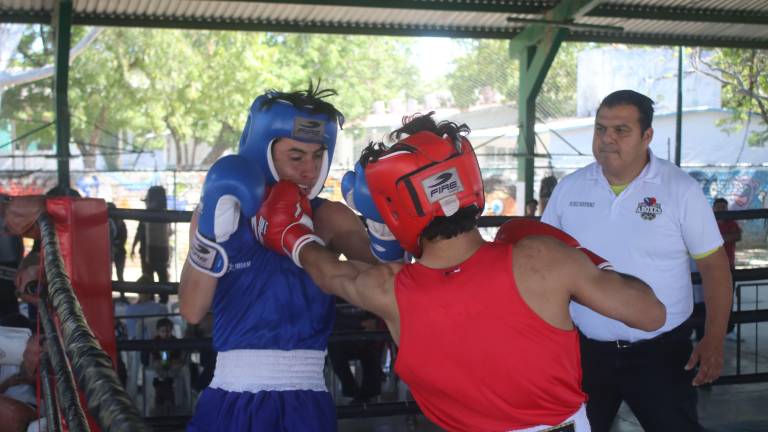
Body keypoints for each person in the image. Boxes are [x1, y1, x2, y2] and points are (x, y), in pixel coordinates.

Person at [254, 112, 665, 431]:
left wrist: (291, 234)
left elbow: (329, 273)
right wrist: (586, 257)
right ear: (469, 179)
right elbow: (651, 313)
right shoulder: (541, 259)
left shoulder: (387, 289)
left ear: (392, 208)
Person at [179, 85, 383, 431]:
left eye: (318, 155)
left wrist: (383, 227)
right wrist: (210, 237)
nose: (310, 169)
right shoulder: (222, 212)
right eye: (297, 156)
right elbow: (192, 310)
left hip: (305, 398)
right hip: (231, 394)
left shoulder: (330, 218)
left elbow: (387, 289)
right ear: (265, 152)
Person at [541, 89, 733, 431]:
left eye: (621, 130)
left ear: (647, 136)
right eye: (600, 129)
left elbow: (714, 267)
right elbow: (541, 261)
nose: (607, 139)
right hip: (585, 352)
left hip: (662, 353)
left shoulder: (679, 189)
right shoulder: (570, 189)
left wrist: (714, 338)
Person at [132, 186, 171, 303]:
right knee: (157, 278)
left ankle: (158, 301)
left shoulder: (152, 214)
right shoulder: (163, 214)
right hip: (156, 252)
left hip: (152, 252)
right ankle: (159, 301)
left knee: (154, 278)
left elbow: (139, 232)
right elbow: (139, 232)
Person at [150, 318, 185, 415]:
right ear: (158, 331)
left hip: (172, 363)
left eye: (168, 331)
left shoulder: (174, 341)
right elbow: (153, 355)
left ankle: (165, 379)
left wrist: (175, 360)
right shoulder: (155, 341)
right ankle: (166, 380)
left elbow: (179, 355)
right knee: (157, 365)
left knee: (175, 366)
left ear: (172, 331)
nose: (166, 334)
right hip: (160, 363)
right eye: (163, 331)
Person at [108, 202, 128, 282]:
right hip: (117, 250)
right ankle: (121, 293)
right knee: (114, 274)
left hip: (117, 250)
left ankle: (121, 293)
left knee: (118, 274)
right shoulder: (119, 222)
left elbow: (124, 237)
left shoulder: (118, 223)